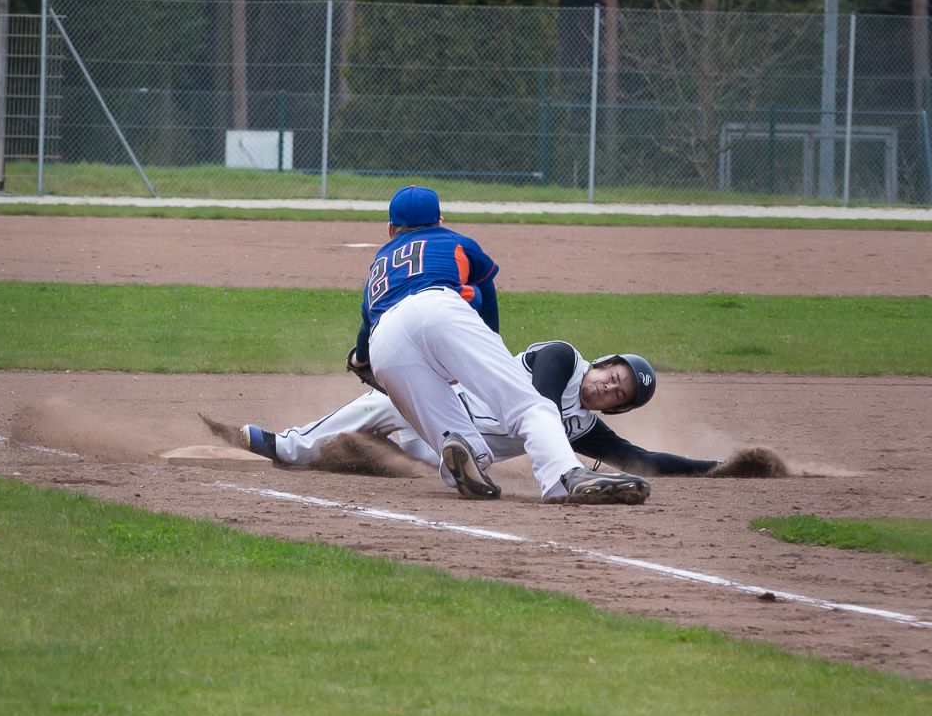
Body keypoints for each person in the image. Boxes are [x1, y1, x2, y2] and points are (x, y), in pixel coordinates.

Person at [312, 185, 649, 503]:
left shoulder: (378, 267)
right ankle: (564, 476)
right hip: (440, 310)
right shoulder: (455, 241)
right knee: (531, 406)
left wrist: (359, 361)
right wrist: (490, 339)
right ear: (439, 220)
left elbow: (366, 331)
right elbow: (486, 290)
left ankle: (469, 459)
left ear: (390, 229)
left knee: (452, 430)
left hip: (385, 340)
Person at [238, 341, 723, 478]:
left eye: (620, 396)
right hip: (440, 408)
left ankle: (374, 455)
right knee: (383, 401)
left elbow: (645, 461)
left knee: (419, 464)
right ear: (602, 363)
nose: (608, 389)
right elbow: (542, 408)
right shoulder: (563, 359)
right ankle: (288, 446)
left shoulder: (582, 427)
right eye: (612, 377)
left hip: (462, 455)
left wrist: (718, 469)